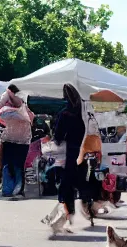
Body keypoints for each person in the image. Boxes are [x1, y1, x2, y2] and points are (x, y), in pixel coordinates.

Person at [41, 84, 85, 234]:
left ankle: (65, 214)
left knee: (65, 184)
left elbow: (59, 136)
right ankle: (80, 209)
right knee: (77, 182)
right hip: (83, 150)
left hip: (68, 152)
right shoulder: (83, 112)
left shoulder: (65, 113)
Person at [0, 84, 34, 198]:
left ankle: (10, 189)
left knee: (11, 165)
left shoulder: (16, 106)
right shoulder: (13, 107)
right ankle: (15, 190)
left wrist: (6, 95)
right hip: (19, 140)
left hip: (14, 139)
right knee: (16, 166)